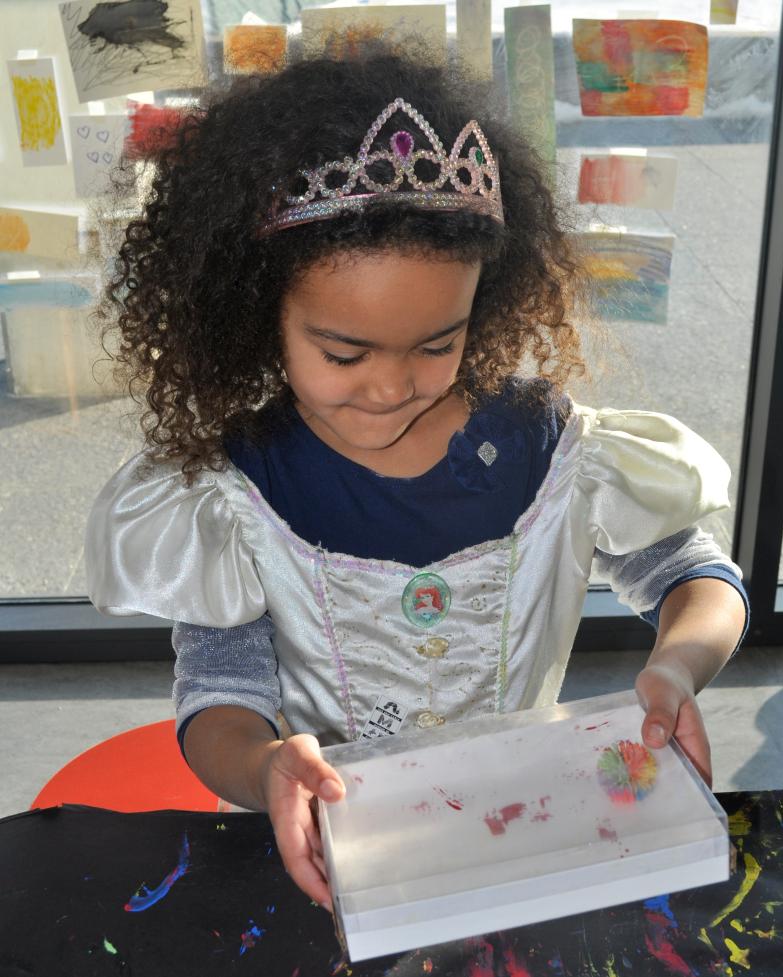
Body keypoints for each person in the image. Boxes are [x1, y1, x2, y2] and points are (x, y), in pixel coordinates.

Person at [86, 47, 748, 914]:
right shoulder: (238, 492)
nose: (392, 385)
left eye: (439, 343)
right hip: (330, 851)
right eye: (343, 353)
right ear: (260, 315)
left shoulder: (549, 447)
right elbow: (219, 691)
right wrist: (263, 766)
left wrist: (676, 664)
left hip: (525, 832)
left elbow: (697, 577)